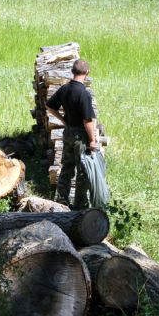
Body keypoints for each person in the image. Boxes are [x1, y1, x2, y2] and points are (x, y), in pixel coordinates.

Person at [45, 59, 97, 209]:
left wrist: (63, 120)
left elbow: (49, 106)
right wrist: (92, 140)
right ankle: (80, 205)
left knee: (67, 167)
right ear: (87, 72)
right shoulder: (84, 94)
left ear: (72, 71)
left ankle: (61, 201)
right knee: (83, 171)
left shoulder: (65, 89)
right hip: (80, 137)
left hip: (67, 133)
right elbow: (87, 120)